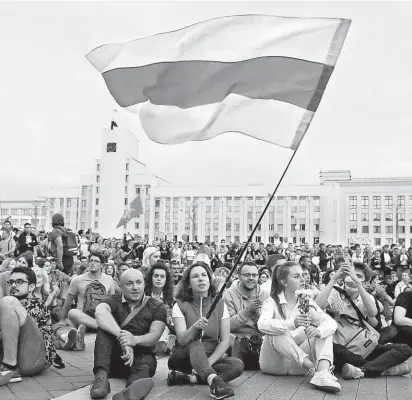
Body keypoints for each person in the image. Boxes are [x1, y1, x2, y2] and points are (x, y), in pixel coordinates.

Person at [315, 262, 412, 379]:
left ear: (365, 282)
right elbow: (318, 306)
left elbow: (372, 312)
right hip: (341, 347)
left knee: (404, 349)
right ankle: (378, 368)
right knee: (333, 348)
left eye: (358, 276)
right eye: (349, 274)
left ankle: (362, 370)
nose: (352, 277)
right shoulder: (335, 292)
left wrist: (357, 283)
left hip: (364, 346)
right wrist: (334, 278)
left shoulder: (366, 297)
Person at [257, 261, 340, 393]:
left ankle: (323, 372)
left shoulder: (304, 301)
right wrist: (291, 323)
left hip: (299, 369)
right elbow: (261, 324)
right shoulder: (272, 301)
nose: (303, 279)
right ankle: (315, 368)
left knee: (325, 331)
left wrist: (318, 331)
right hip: (274, 364)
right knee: (276, 330)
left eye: (303, 275)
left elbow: (330, 323)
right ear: (284, 282)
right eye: (296, 276)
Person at [167, 262, 244, 399]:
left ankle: (190, 378)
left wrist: (207, 364)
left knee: (237, 365)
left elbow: (225, 340)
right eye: (195, 276)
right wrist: (194, 327)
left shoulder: (220, 304)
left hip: (210, 357)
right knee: (194, 342)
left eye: (204, 275)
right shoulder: (180, 305)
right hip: (183, 357)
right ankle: (214, 383)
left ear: (210, 280)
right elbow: (182, 339)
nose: (201, 279)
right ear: (189, 284)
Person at [90, 269, 167, 400]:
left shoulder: (157, 306)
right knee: (104, 330)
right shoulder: (113, 300)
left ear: (144, 284)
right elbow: (99, 312)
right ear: (121, 286)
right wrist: (123, 339)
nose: (135, 287)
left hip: (140, 357)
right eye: (129, 284)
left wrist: (135, 340)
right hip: (112, 358)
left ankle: (130, 391)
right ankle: (101, 377)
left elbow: (155, 335)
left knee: (145, 364)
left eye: (139, 282)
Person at [0, 267, 61, 385]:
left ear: (32, 287)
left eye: (19, 282)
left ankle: (9, 367)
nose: (13, 285)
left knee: (8, 301)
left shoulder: (36, 303)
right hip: (22, 360)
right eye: (11, 282)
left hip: (35, 358)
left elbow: (17, 333)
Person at [55, 253, 115, 351]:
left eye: (96, 261)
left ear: (102, 265)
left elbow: (112, 302)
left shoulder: (109, 280)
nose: (92, 263)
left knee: (63, 334)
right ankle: (103, 328)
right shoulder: (77, 280)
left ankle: (77, 339)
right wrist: (62, 319)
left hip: (101, 316)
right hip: (83, 318)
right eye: (91, 260)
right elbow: (68, 302)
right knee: (72, 312)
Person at [223, 261, 268, 370]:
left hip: (258, 336)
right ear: (239, 276)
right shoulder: (229, 294)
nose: (251, 278)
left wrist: (257, 313)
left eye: (255, 275)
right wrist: (247, 311)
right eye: (247, 275)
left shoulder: (265, 294)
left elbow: (267, 326)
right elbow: (228, 325)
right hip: (236, 337)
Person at [144, 262, 176, 354]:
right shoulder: (143, 294)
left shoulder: (171, 299)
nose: (159, 279)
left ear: (166, 280)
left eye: (162, 277)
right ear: (151, 278)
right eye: (156, 276)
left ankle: (162, 344)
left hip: (163, 327)